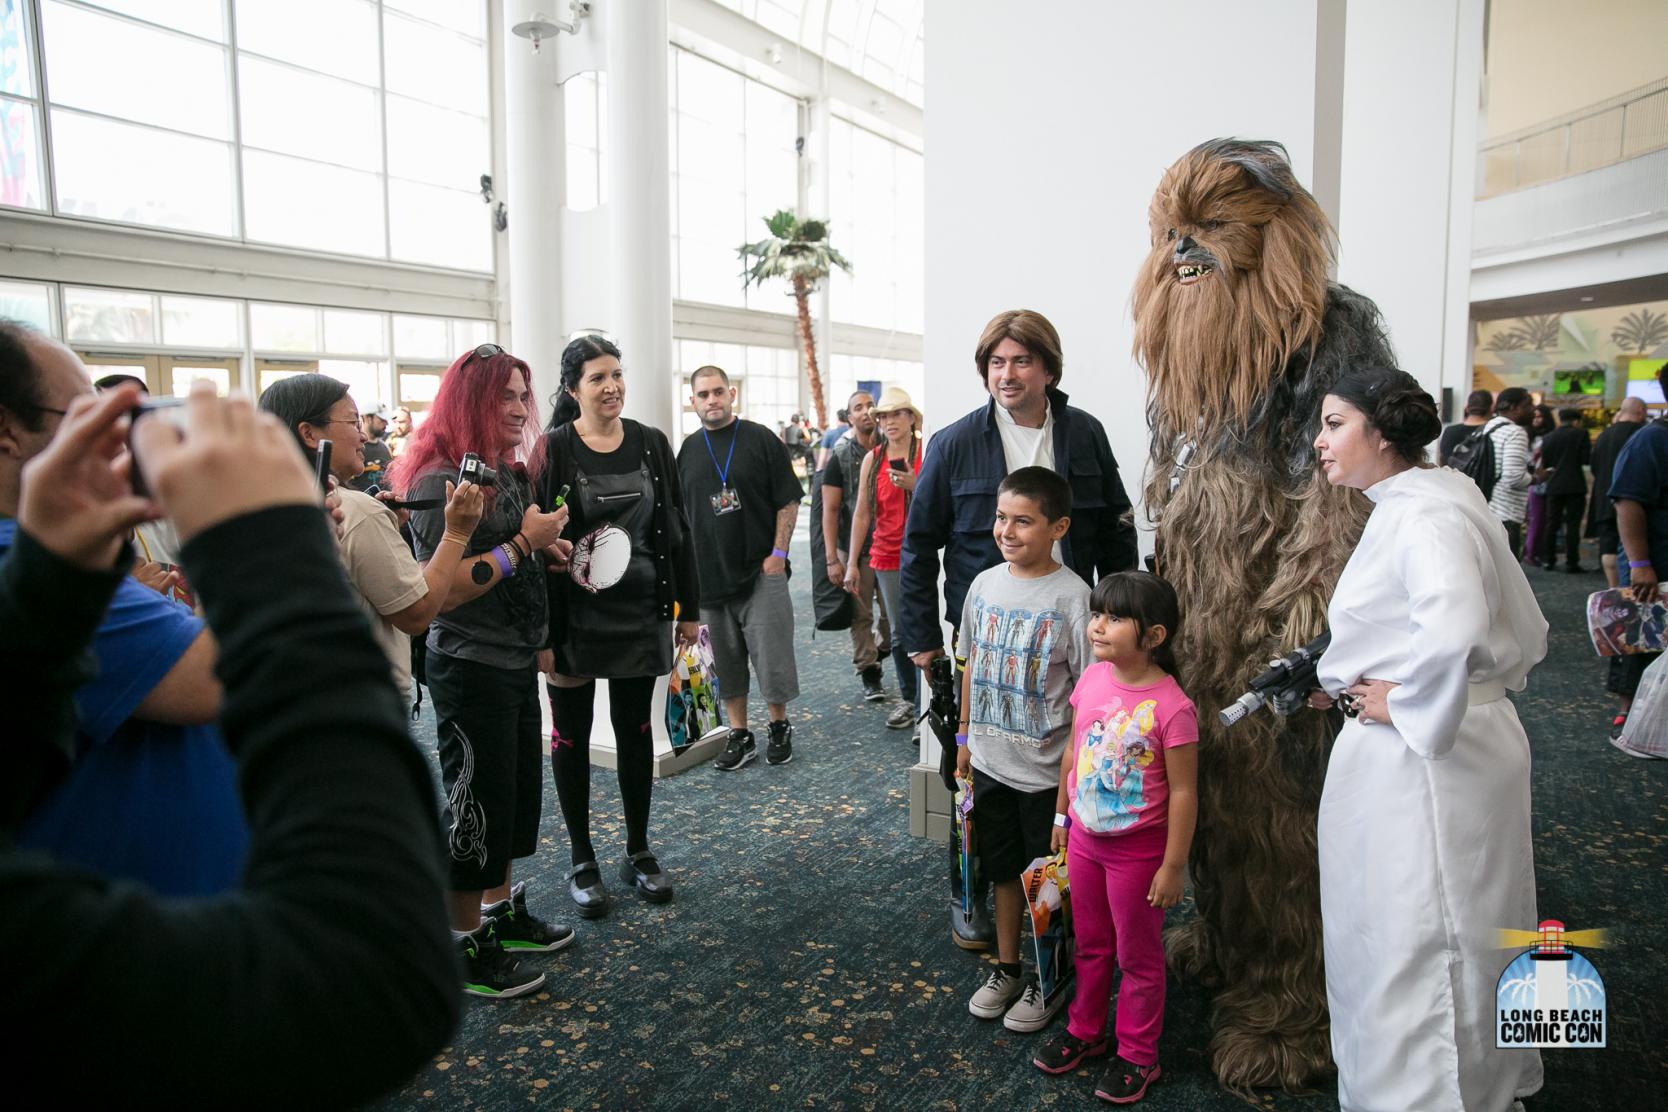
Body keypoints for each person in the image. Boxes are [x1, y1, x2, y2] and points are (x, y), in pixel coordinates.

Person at [4, 381, 460, 1104]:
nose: (125, 440)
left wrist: (50, 583)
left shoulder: (37, 577)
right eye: (88, 417)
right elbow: (375, 981)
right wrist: (276, 556)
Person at [1308, 365, 1545, 1111]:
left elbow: (1452, 625)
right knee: (1452, 923)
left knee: (1422, 935)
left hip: (1427, 760)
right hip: (1456, 739)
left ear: (1381, 434)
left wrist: (1404, 705)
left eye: (1335, 423)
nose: (1320, 441)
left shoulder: (1423, 514)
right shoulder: (1437, 493)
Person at [896, 308, 1138, 950]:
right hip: (984, 639)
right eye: (996, 362)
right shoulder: (952, 442)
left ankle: (1057, 893)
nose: (1007, 374)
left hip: (1067, 638)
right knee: (972, 768)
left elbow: (1115, 529)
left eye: (1021, 361)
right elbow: (918, 546)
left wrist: (1125, 626)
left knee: (1066, 764)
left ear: (1048, 369)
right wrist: (920, 633)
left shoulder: (1084, 433)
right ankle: (970, 889)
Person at [0, 322, 242, 896]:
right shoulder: (18, 567)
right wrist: (255, 540)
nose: (119, 437)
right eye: (86, 416)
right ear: (6, 429)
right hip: (135, 952)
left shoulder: (54, 562)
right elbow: (222, 678)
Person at [386, 342, 574, 999]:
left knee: (511, 799)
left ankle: (497, 913)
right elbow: (448, 588)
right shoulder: (440, 481)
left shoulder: (505, 470)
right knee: (474, 808)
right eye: (507, 396)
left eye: (525, 395)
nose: (523, 408)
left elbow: (509, 554)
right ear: (473, 401)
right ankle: (462, 944)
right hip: (468, 666)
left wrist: (547, 547)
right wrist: (527, 543)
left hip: (514, 659)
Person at [537, 336, 699, 917]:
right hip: (575, 620)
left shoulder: (653, 444)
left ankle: (637, 849)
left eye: (617, 375)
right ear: (573, 388)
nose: (612, 387)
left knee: (634, 732)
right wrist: (545, 636)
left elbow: (678, 531)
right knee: (571, 737)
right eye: (598, 378)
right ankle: (582, 857)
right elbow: (540, 549)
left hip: (640, 613)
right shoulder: (554, 448)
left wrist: (691, 610)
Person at [1034, 571, 1197, 1105]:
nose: (1098, 627)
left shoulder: (1173, 707)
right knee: (1093, 944)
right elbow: (1074, 755)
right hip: (1084, 840)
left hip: (1138, 853)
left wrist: (1173, 866)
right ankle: (1086, 1031)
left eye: (1114, 618)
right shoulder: (1093, 680)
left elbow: (1183, 793)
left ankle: (1138, 1054)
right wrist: (1062, 818)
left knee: (1138, 956)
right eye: (1097, 614)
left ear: (1153, 636)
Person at [953, 468, 1092, 1033]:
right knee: (1003, 872)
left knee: (1048, 880)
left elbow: (1090, 698)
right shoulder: (983, 585)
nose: (1006, 531)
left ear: (1057, 526)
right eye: (1001, 518)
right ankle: (1008, 967)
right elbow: (968, 665)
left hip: (1045, 774)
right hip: (988, 764)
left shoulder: (1074, 597)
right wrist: (962, 739)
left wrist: (1070, 776)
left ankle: (1047, 974)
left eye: (1023, 521)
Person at [258, 373, 483, 705]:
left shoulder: (263, 503)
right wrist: (457, 533)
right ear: (309, 433)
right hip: (358, 703)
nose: (363, 436)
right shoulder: (355, 512)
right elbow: (417, 613)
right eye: (352, 422)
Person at [677, 365, 804, 771]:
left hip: (760, 572)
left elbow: (788, 499)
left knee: (772, 656)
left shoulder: (760, 439)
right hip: (709, 580)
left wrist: (779, 554)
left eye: (718, 392)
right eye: (703, 394)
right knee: (726, 663)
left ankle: (778, 725)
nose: (711, 400)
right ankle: (739, 733)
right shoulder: (688, 450)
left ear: (731, 394)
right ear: (693, 401)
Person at [845, 386, 927, 729]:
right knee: (899, 632)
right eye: (884, 416)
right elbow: (862, 513)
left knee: (927, 627)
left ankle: (930, 703)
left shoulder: (927, 451)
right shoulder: (873, 459)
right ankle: (911, 699)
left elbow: (941, 502)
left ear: (911, 418)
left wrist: (915, 483)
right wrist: (851, 562)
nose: (889, 422)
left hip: (924, 552)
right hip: (885, 556)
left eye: (897, 414)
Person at [1605, 363, 1668, 742]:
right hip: (1654, 561)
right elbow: (1627, 501)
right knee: (1642, 639)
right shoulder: (1651, 439)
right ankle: (1631, 717)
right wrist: (1641, 563)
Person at [823, 390, 889, 702]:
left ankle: (881, 649)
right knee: (861, 615)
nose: (865, 412)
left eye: (870, 406)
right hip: (856, 547)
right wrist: (833, 558)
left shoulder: (893, 448)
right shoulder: (839, 455)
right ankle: (869, 671)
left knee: (894, 616)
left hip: (891, 545)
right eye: (857, 408)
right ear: (849, 417)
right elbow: (830, 510)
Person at [1589, 398, 1647, 589]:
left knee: (1607, 543)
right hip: (1633, 498)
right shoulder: (1642, 434)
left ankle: (1613, 589)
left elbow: (1594, 465)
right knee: (1629, 544)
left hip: (1604, 495)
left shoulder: (1604, 434)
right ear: (1640, 412)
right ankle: (1628, 588)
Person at [1534, 407, 1590, 573]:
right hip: (1575, 485)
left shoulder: (1549, 437)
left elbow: (1546, 461)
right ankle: (1572, 562)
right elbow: (1585, 459)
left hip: (1554, 484)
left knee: (1551, 523)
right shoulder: (1581, 434)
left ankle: (1549, 560)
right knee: (1573, 525)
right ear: (1575, 421)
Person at [1481, 386, 1534, 558]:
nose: (1532, 410)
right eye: (1528, 405)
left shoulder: (1488, 427)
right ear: (1513, 407)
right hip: (1506, 513)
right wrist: (1536, 478)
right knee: (1508, 578)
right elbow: (1513, 477)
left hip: (1486, 508)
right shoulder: (1515, 432)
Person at [1522, 403, 1555, 566]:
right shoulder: (1525, 436)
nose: (1536, 420)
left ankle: (1538, 552)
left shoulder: (1551, 436)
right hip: (1531, 483)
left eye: (1539, 416)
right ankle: (1530, 552)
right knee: (1535, 519)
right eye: (1534, 416)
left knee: (1545, 521)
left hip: (1547, 482)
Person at [1437, 388, 1492, 465]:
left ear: (1467, 408)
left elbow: (1444, 461)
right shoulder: (1493, 431)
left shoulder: (1450, 431)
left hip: (1453, 476)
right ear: (1490, 409)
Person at [350, 403, 394, 492]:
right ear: (367, 418)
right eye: (382, 419)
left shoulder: (385, 447)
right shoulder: (354, 448)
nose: (386, 423)